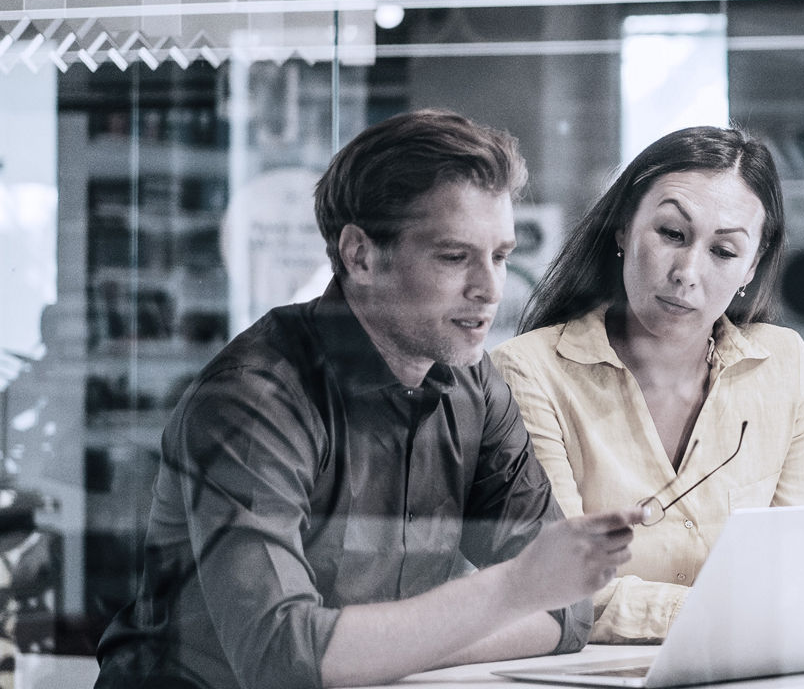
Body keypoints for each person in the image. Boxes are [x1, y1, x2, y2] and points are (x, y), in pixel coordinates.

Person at [94, 109, 641, 689]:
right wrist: (511, 590)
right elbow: (284, 657)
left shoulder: (474, 386)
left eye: (500, 255)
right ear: (359, 255)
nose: (489, 289)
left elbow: (569, 611)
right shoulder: (253, 398)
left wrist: (386, 650)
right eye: (454, 256)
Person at [490, 125, 804, 646]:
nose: (687, 272)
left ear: (752, 265)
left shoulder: (783, 364)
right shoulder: (528, 372)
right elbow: (563, 591)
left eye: (723, 252)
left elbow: (797, 563)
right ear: (622, 230)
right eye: (671, 234)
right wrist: (776, 611)